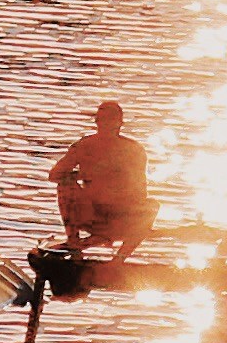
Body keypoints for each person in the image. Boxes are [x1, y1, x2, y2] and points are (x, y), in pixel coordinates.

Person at [48, 100, 152, 254]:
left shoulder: (134, 150)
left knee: (152, 206)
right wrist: (84, 174)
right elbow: (54, 175)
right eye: (103, 120)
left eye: (111, 121)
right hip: (91, 214)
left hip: (121, 217)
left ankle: (118, 261)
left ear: (119, 124)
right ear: (97, 123)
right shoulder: (84, 146)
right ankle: (75, 245)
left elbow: (140, 191)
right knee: (65, 186)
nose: (107, 125)